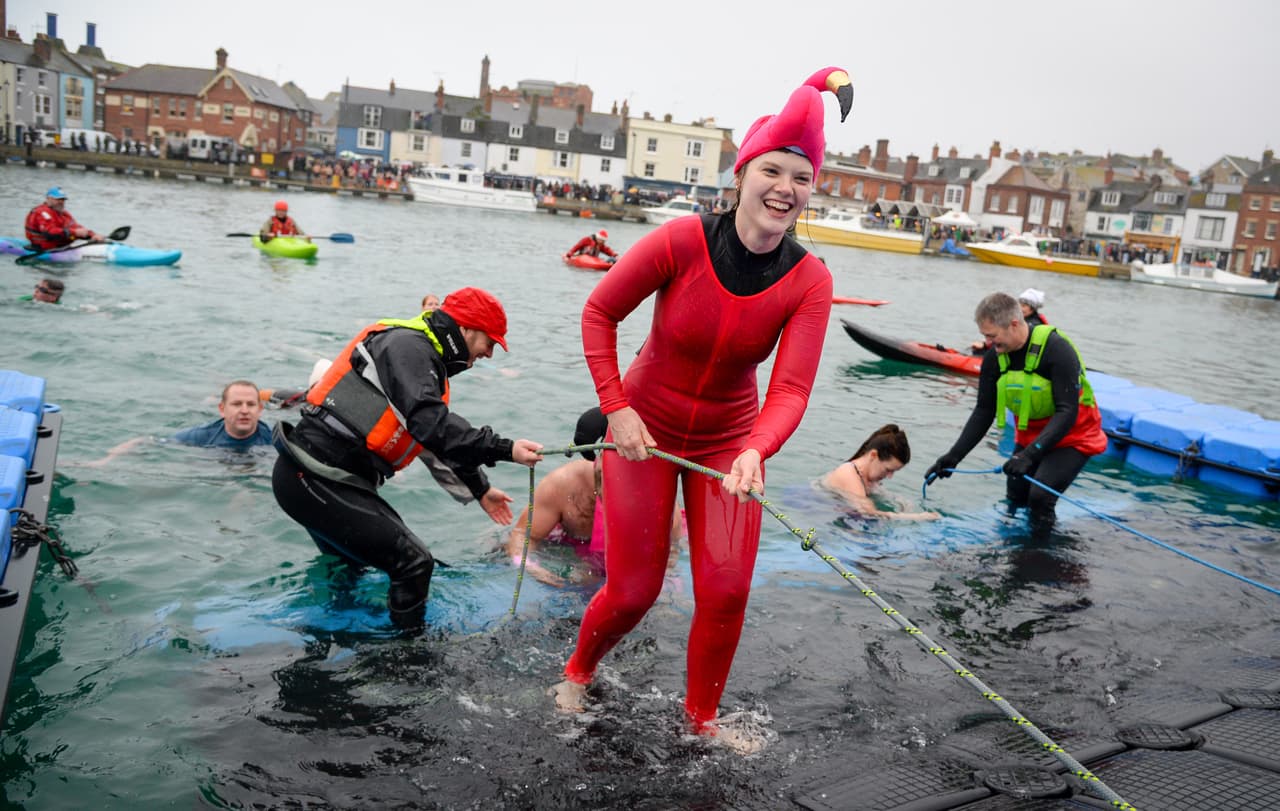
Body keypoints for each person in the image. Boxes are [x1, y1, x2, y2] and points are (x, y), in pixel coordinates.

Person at [551, 66, 853, 751]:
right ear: (741, 175)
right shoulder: (682, 240)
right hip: (642, 435)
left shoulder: (810, 279)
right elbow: (600, 312)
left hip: (729, 443)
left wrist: (757, 446)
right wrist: (616, 409)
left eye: (801, 178)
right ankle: (576, 672)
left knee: (724, 590)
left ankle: (702, 720)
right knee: (633, 592)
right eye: (772, 170)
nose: (785, 188)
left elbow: (791, 389)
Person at [270, 287, 543, 629]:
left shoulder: (422, 360)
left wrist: (480, 489)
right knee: (414, 562)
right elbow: (431, 424)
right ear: (466, 329)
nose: (489, 353)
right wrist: (506, 449)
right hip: (313, 475)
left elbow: (431, 441)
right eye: (489, 342)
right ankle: (408, 664)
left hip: (329, 481)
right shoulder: (408, 347)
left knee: (353, 568)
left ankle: (334, 634)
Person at [925, 292, 1107, 535]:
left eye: (993, 336)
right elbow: (984, 411)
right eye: (986, 337)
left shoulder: (1056, 350)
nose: (991, 344)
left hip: (1074, 435)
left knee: (1040, 497)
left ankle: (1042, 557)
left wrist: (1029, 456)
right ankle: (1015, 551)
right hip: (1031, 436)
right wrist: (953, 456)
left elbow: (1067, 411)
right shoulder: (995, 358)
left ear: (1013, 324)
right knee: (1015, 495)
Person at [507, 407, 683, 588]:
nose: (614, 480)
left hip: (626, 565)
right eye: (607, 466)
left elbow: (670, 556)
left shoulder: (660, 504)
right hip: (564, 553)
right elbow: (523, 536)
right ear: (597, 457)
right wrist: (534, 569)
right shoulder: (562, 484)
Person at [83, 380, 274, 466]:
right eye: (236, 404)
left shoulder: (274, 439)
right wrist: (103, 461)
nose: (244, 410)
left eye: (250, 404)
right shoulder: (202, 435)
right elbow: (144, 441)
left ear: (260, 409)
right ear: (222, 409)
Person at [819, 424, 939, 520]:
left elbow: (879, 496)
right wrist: (916, 517)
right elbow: (868, 513)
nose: (890, 476)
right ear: (873, 455)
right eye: (888, 470)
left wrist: (903, 502)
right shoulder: (848, 473)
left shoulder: (868, 478)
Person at [24, 187, 104, 250]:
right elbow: (50, 233)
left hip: (61, 246)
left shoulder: (63, 213)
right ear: (49, 199)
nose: (61, 202)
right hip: (44, 247)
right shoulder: (41, 212)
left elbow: (75, 227)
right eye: (58, 199)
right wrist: (74, 232)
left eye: (63, 199)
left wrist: (92, 235)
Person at [971, 288, 1048, 354]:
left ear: (1032, 309)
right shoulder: (1020, 318)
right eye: (1019, 305)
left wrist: (985, 346)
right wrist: (985, 345)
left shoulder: (1033, 324)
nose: (1020, 308)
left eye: (1024, 306)